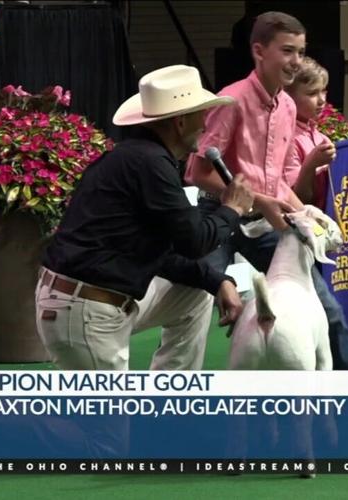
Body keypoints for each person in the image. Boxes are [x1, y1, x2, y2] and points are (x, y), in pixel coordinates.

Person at [35, 64, 262, 372]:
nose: (205, 123)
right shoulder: (150, 164)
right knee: (106, 420)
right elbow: (194, 241)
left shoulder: (143, 158)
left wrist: (217, 280)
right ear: (181, 122)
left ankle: (166, 402)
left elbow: (163, 254)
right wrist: (232, 207)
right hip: (85, 308)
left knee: (195, 294)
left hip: (90, 301)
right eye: (200, 114)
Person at [185, 12, 348, 370]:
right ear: (259, 51)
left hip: (265, 222)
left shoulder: (286, 105)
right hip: (217, 217)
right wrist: (262, 200)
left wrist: (308, 218)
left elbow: (280, 179)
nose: (296, 61)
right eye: (287, 51)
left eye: (301, 51)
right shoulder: (230, 100)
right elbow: (198, 172)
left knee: (327, 310)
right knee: (191, 311)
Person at [284, 56, 348, 208]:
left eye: (323, 91)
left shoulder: (318, 136)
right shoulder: (287, 140)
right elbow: (299, 200)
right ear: (287, 97)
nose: (322, 100)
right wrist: (310, 164)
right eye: (312, 94)